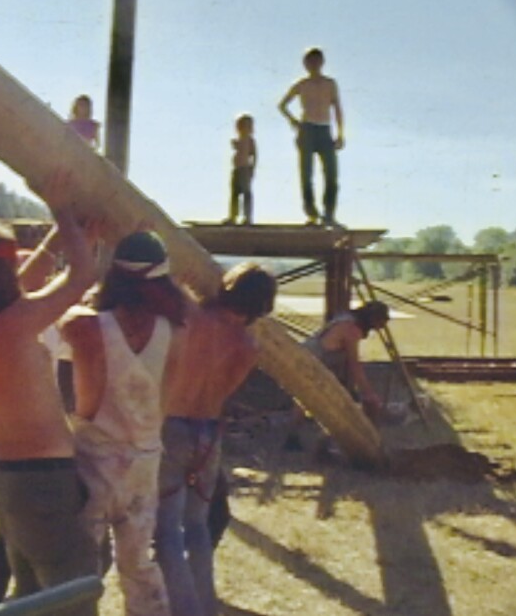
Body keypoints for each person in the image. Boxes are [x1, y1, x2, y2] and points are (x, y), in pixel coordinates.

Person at [0, 171, 101, 616]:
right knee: (72, 599)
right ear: (2, 274)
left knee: (33, 596)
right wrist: (60, 208)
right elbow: (82, 275)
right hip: (45, 480)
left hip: (9, 477)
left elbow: (27, 284)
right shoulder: (13, 325)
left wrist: (65, 234)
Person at [61, 230, 186, 616]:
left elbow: (61, 312)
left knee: (78, 563)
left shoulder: (87, 327)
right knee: (137, 562)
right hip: (145, 457)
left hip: (95, 455)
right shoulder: (175, 332)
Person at [154, 262, 277, 616]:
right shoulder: (248, 346)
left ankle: (182, 609)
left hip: (171, 426)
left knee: (167, 528)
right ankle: (204, 606)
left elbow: (168, 280)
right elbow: (225, 394)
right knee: (197, 526)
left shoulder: (192, 319)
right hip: (208, 432)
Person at [283, 300, 391, 452]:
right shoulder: (350, 329)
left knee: (316, 400)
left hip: (320, 361)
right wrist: (368, 393)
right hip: (311, 361)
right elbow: (354, 365)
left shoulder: (346, 320)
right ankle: (293, 437)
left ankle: (317, 439)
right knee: (307, 400)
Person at [278, 47, 345, 227]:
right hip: (307, 129)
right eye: (309, 62)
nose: (313, 65)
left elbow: (337, 109)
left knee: (331, 174)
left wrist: (340, 134)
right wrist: (294, 121)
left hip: (324, 129)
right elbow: (282, 105)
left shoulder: (330, 84)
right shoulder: (302, 84)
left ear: (322, 62)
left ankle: (329, 214)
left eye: (316, 61)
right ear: (305, 64)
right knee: (306, 174)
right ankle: (312, 214)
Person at [225, 114, 257, 226]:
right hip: (237, 169)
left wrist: (252, 168)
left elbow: (253, 154)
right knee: (235, 193)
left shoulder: (249, 140)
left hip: (245, 169)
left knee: (246, 193)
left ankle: (247, 217)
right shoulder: (241, 139)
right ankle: (233, 216)